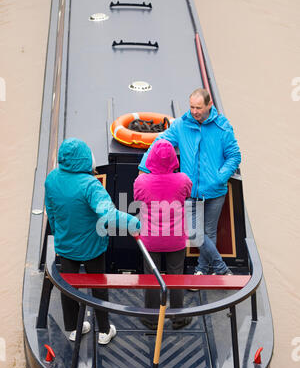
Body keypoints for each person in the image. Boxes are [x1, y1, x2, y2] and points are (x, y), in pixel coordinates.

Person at [45, 138, 140, 344]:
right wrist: (135, 223)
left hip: (66, 246)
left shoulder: (51, 179)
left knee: (68, 288)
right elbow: (109, 216)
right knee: (98, 287)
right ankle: (104, 331)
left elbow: (51, 214)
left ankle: (72, 329)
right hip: (92, 248)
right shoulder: (90, 185)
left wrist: (60, 234)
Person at [138, 88, 241, 277]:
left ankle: (202, 269)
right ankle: (221, 269)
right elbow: (160, 141)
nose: (194, 111)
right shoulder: (181, 125)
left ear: (210, 105)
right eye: (192, 107)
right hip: (190, 192)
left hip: (216, 191)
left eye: (198, 107)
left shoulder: (223, 127)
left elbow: (234, 156)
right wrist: (144, 167)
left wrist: (220, 177)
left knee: (209, 232)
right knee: (193, 232)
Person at [134, 139, 192, 329]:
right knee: (176, 276)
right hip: (175, 239)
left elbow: (137, 200)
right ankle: (178, 318)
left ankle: (151, 319)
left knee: (151, 276)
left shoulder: (141, 181)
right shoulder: (183, 179)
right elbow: (187, 195)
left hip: (150, 240)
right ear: (173, 160)